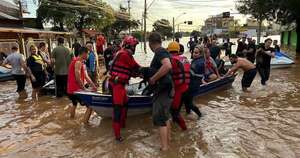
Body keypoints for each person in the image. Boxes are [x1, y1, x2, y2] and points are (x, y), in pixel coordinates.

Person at [109, 36, 141, 142]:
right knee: (117, 110)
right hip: (117, 85)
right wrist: (147, 73)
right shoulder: (125, 54)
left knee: (126, 103)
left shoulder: (123, 53)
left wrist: (139, 73)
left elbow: (133, 70)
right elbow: (136, 68)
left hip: (119, 85)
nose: (135, 48)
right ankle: (118, 138)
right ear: (128, 45)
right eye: (134, 46)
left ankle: (122, 126)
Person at [148, 32, 173, 151]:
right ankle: (168, 142)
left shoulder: (159, 52)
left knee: (159, 118)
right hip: (168, 89)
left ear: (150, 43)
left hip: (163, 90)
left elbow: (167, 66)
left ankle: (165, 148)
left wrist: (153, 78)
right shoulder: (163, 51)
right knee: (165, 116)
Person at [67, 47, 97, 124]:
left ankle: (71, 121)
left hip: (71, 89)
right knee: (90, 106)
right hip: (76, 90)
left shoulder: (79, 62)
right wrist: (84, 89)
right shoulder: (78, 62)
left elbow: (86, 77)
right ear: (84, 53)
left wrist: (93, 86)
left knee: (74, 104)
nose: (88, 55)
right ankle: (85, 124)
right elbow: (78, 77)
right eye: (87, 54)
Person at [168, 41, 189, 131]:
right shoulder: (185, 58)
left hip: (178, 90)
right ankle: (174, 126)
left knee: (174, 112)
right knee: (176, 111)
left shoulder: (171, 60)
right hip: (186, 88)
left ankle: (185, 130)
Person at [183, 46, 204, 118]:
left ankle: (200, 115)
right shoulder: (196, 60)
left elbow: (192, 73)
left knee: (189, 103)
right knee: (186, 101)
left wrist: (186, 65)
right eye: (193, 52)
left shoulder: (199, 62)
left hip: (193, 85)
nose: (194, 54)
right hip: (191, 84)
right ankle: (188, 115)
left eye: (196, 53)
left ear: (201, 54)